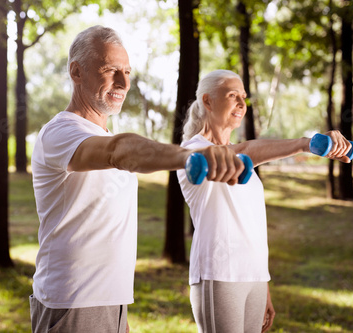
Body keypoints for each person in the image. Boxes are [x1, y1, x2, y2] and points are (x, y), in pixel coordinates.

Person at [29, 27, 247, 333]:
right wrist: (189, 158)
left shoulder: (98, 134)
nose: (123, 82)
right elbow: (119, 151)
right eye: (110, 70)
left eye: (127, 71)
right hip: (72, 303)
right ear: (76, 72)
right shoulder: (61, 132)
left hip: (110, 302)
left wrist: (121, 314)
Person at [177, 70, 353, 333]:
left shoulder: (236, 152)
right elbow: (243, 152)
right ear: (208, 101)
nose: (241, 103)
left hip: (253, 278)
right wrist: (305, 143)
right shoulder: (193, 152)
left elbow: (251, 226)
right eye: (232, 95)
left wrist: (263, 284)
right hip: (220, 274)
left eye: (243, 97)